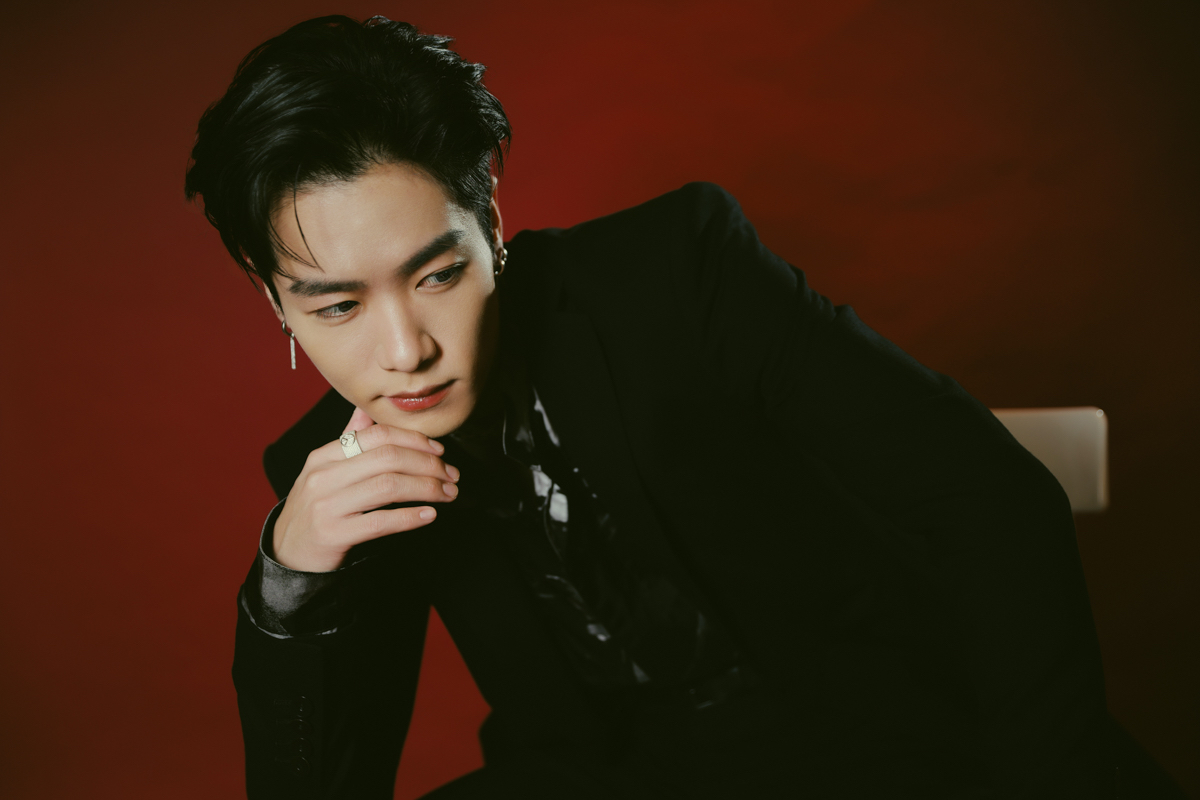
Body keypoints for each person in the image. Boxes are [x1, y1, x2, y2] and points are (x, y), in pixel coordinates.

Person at [184, 14, 1140, 800]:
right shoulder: (332, 475)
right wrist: (289, 588)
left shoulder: (673, 275)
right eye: (339, 307)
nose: (405, 353)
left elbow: (991, 499)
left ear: (492, 225)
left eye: (437, 275)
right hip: (609, 778)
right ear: (275, 300)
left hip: (869, 739)